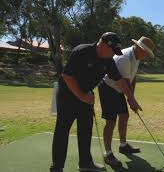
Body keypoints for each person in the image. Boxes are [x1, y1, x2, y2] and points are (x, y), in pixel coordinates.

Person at [50, 32, 141, 172]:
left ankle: (85, 163)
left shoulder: (108, 60)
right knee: (63, 130)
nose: (113, 55)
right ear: (103, 45)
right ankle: (57, 167)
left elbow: (120, 81)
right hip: (66, 94)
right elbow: (67, 76)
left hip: (86, 95)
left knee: (86, 130)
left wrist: (131, 98)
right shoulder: (82, 51)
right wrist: (82, 96)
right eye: (112, 50)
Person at [98, 36, 155, 167]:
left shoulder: (137, 57)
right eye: (145, 51)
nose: (146, 55)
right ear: (138, 48)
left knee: (124, 115)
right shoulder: (125, 58)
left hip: (119, 87)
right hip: (108, 87)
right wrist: (131, 100)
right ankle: (108, 154)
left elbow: (132, 78)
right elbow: (124, 83)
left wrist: (132, 97)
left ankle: (123, 146)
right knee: (110, 121)